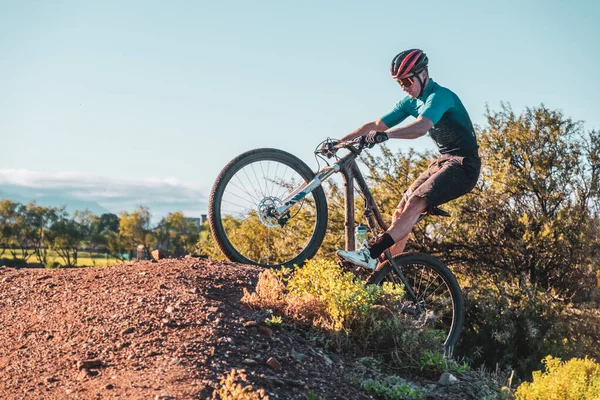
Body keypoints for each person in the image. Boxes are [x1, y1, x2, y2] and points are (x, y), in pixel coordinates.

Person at [335, 49, 481, 270]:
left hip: (464, 166)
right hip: (443, 161)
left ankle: (370, 254)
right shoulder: (410, 102)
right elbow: (375, 126)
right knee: (401, 209)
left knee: (415, 203)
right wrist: (339, 143)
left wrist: (388, 135)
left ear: (423, 74)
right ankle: (382, 271)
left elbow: (422, 127)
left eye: (407, 80)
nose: (404, 86)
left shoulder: (440, 96)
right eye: (399, 82)